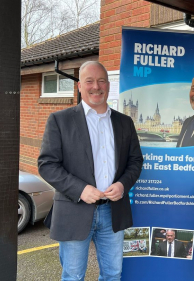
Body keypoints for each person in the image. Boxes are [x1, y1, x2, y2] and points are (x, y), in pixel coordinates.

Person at [38, 61, 143, 280]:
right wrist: (80, 189)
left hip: (113, 212)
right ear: (79, 86)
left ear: (108, 85)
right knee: (74, 275)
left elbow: (135, 161)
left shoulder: (125, 122)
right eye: (89, 81)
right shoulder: (60, 120)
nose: (96, 86)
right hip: (74, 211)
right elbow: (47, 164)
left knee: (113, 274)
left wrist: (123, 184)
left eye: (101, 80)